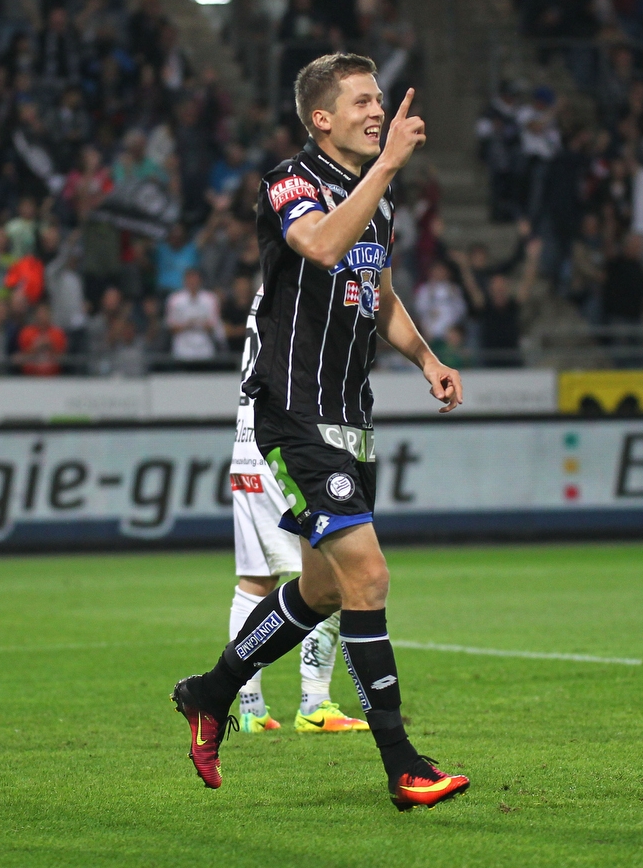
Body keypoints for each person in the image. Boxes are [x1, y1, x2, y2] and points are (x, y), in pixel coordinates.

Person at [171, 54, 469, 811]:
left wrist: (428, 359)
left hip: (351, 414)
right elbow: (323, 245)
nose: (380, 113)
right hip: (293, 412)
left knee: (324, 588)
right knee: (368, 577)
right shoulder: (289, 183)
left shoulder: (381, 200)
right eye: (363, 102)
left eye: (381, 101)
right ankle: (403, 764)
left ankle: (211, 692)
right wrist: (388, 169)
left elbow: (380, 294)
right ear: (322, 119)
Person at [229, 286, 367, 735]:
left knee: (255, 579)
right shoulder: (311, 279)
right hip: (285, 445)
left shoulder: (268, 287)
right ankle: (314, 700)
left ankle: (248, 707)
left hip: (247, 446)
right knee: (338, 570)